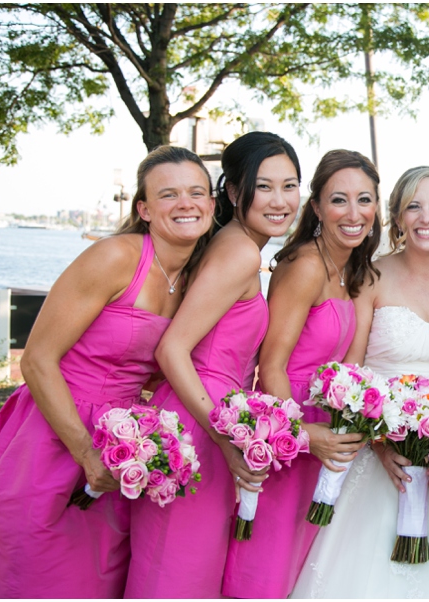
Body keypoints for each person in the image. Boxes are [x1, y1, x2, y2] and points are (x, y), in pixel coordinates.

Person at [0, 146, 214, 598]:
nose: (186, 203)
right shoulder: (116, 257)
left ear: (212, 204)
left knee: (95, 580)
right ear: (143, 209)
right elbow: (37, 360)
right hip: (51, 436)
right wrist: (86, 453)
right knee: (30, 574)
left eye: (196, 192)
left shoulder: (193, 280)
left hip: (121, 445)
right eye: (169, 194)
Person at [291, 166, 429, 598]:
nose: (425, 217)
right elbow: (352, 373)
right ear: (397, 216)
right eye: (413, 206)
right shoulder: (371, 277)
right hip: (377, 453)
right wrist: (380, 443)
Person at [122, 132, 301, 598]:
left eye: (290, 185)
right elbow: (172, 349)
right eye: (264, 187)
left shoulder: (240, 246)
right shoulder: (239, 251)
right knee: (174, 572)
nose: (280, 200)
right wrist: (223, 437)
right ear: (235, 192)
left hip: (209, 418)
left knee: (189, 571)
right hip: (198, 425)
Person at [222, 149, 380, 598]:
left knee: (299, 563)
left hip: (324, 433)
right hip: (289, 433)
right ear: (316, 208)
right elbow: (271, 365)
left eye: (364, 199)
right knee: (265, 563)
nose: (354, 214)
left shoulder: (350, 267)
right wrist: (303, 434)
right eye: (339, 200)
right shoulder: (305, 266)